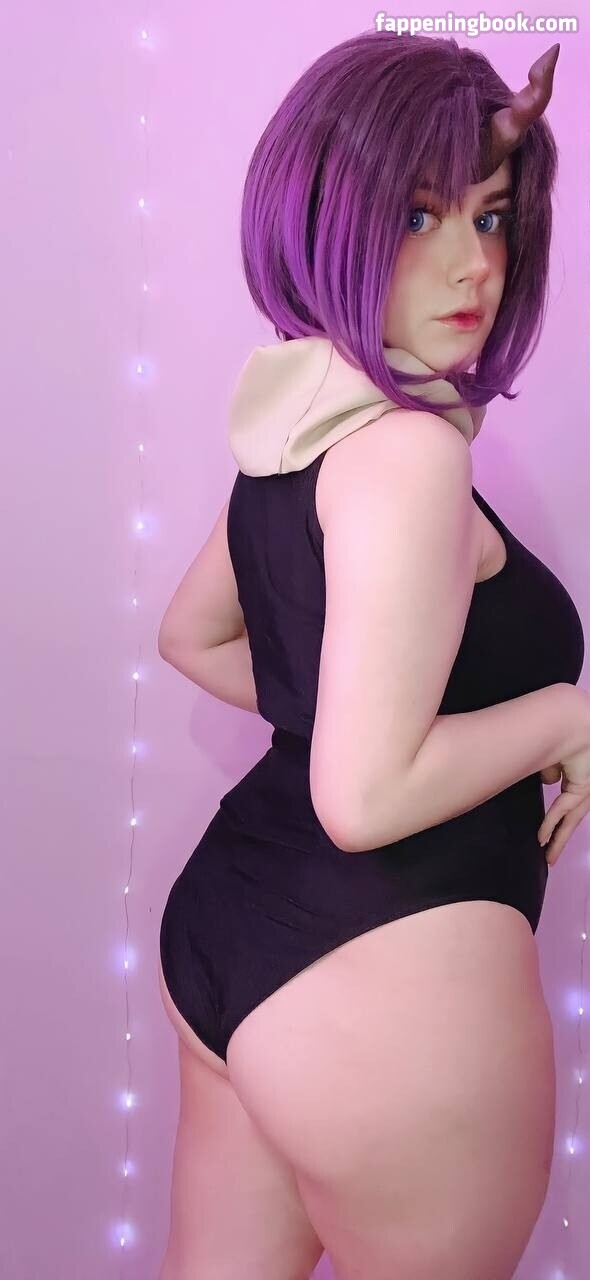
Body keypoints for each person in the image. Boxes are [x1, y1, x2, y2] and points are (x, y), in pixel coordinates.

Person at [157, 31, 590, 1280]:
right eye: (417, 215)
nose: (472, 263)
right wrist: (562, 717)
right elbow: (362, 796)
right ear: (327, 212)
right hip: (387, 985)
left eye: (491, 218)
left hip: (230, 935)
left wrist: (341, 707)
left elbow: (192, 634)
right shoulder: (407, 454)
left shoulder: (303, 421)